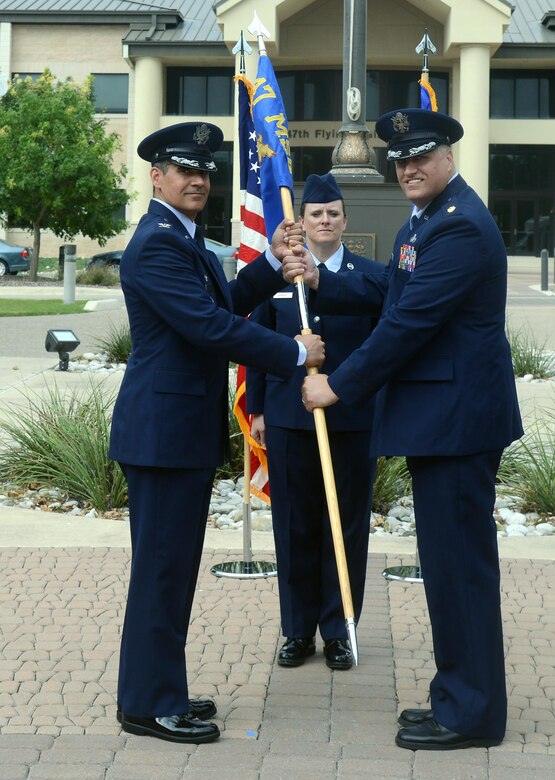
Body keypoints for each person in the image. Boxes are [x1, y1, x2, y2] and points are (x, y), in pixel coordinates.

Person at [286, 108, 523, 751]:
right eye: (400, 160)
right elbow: (391, 289)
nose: (409, 168)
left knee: (460, 572)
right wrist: (321, 282)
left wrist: (335, 385)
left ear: (449, 155)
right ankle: (457, 696)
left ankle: (470, 715)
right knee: (448, 570)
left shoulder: (462, 228)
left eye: (421, 155)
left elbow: (407, 325)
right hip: (440, 424)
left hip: (458, 425)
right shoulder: (429, 221)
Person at [108, 122, 325, 745]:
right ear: (157, 176)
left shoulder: (182, 239)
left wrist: (266, 266)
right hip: (161, 434)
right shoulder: (156, 244)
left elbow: (222, 304)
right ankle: (148, 704)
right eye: (184, 170)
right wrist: (291, 350)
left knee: (171, 570)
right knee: (161, 570)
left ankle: (159, 690)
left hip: (177, 432)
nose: (198, 179)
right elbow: (206, 327)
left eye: (205, 171)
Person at [246, 173, 383, 671]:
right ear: (301, 223)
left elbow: (380, 348)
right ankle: (297, 629)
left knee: (344, 528)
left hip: (349, 421)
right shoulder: (282, 277)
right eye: (315, 214)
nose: (324, 221)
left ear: (345, 220)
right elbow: (256, 343)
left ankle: (339, 628)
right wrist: (258, 408)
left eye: (332, 213)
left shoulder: (370, 278)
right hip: (286, 419)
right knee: (294, 526)